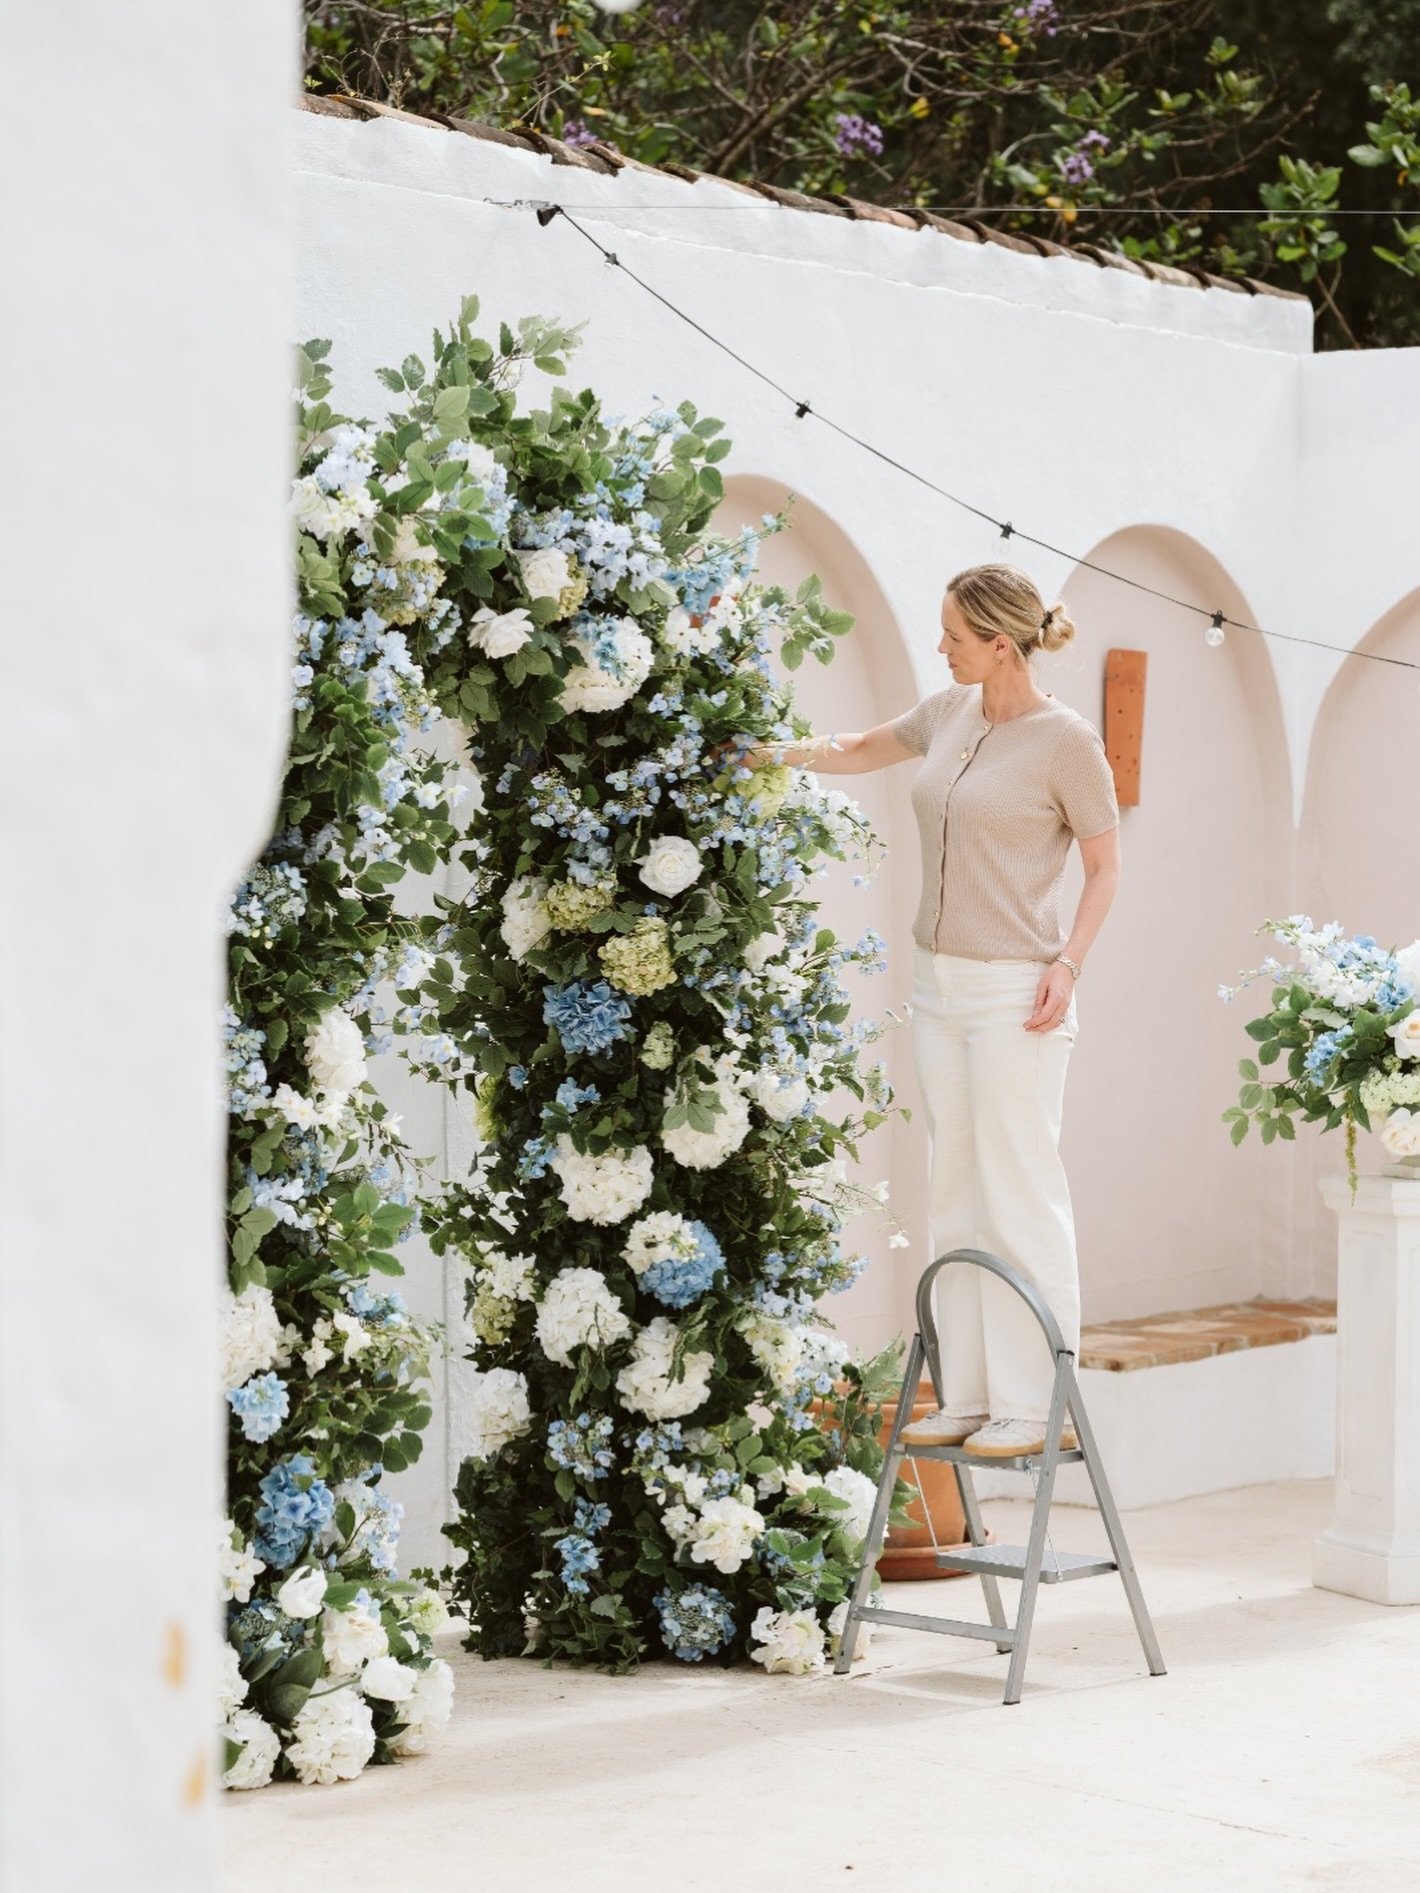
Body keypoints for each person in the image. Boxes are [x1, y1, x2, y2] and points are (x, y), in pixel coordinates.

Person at [737, 563, 1120, 1458]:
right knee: (955, 1184)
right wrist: (770, 752)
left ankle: (1036, 1401)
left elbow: (1106, 868)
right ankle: (972, 1393)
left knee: (1020, 1188)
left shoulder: (1066, 742)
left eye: (952, 633)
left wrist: (1069, 964)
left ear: (999, 643)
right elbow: (864, 746)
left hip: (1015, 990)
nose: (938, 645)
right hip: (939, 984)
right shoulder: (949, 713)